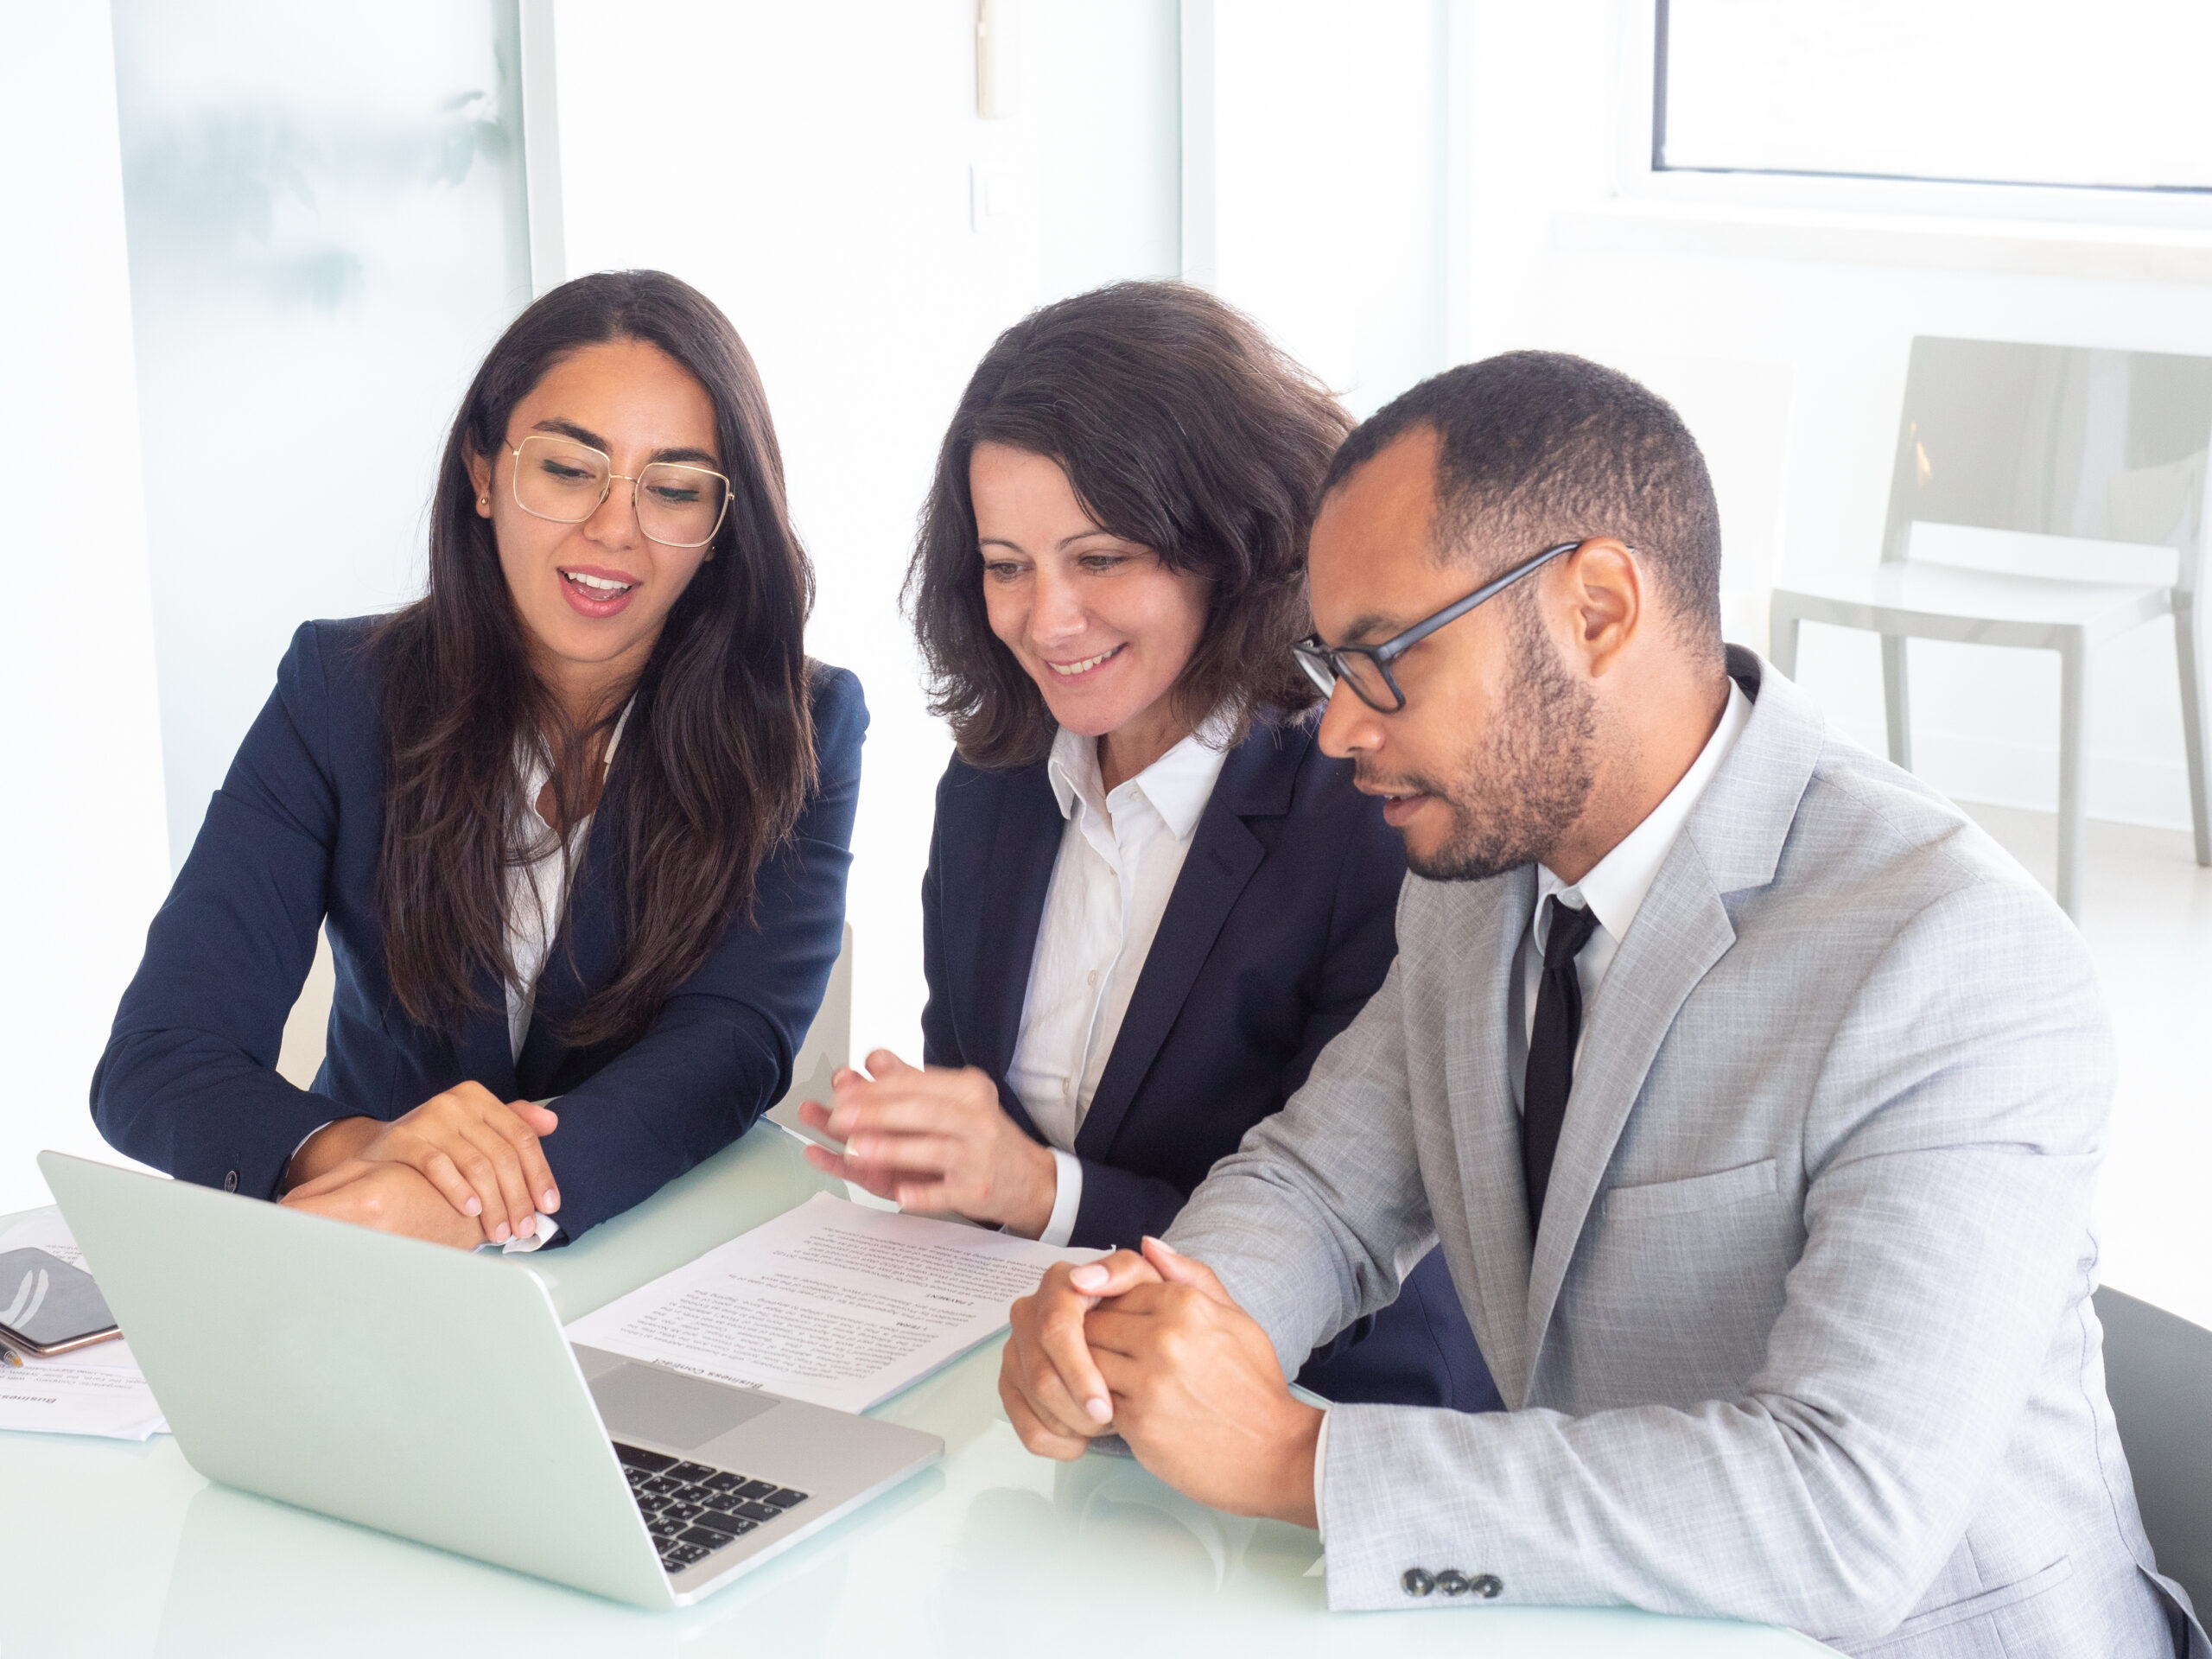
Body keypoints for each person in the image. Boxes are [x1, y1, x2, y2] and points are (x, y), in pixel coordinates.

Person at [999, 351, 2205, 1657]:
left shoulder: (1951, 955)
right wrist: (1139, 1327)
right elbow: (1322, 1186)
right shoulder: (1476, 878)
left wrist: (1304, 1459)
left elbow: (1844, 1513)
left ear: (1600, 609)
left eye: (1384, 658)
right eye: (1327, 663)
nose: (1339, 729)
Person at [798, 282, 1496, 1410]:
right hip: (1037, 1379)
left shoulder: (1370, 808)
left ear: (1229, 545)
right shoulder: (997, 779)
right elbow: (985, 1132)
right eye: (1007, 564)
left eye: (1103, 558)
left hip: (1315, 1406)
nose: (1046, 618)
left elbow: (1355, 1231)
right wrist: (926, 1149)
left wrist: (1042, 1190)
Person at [92, 270, 865, 1252]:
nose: (614, 528)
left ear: (719, 531)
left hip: (649, 1262)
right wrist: (363, 1153)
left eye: (672, 489)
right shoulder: (339, 691)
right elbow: (159, 1057)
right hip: (376, 1251)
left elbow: (730, 1049)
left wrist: (467, 1201)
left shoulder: (800, 723)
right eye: (566, 468)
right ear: (484, 474)